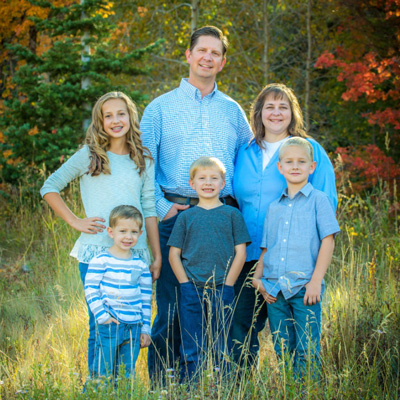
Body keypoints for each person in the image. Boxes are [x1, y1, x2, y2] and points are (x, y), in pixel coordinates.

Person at [140, 26, 253, 381]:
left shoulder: (233, 111)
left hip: (222, 219)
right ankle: (164, 383)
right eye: (201, 50)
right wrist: (163, 207)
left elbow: (249, 161)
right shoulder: (159, 109)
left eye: (215, 53)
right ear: (188, 55)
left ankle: (221, 381)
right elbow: (142, 166)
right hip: (177, 216)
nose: (207, 57)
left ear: (222, 61)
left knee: (224, 306)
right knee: (173, 308)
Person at [40, 92, 161, 376]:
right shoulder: (90, 155)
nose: (116, 120)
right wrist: (75, 221)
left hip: (135, 253)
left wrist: (156, 256)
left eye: (121, 114)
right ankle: (96, 388)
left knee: (130, 327)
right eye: (108, 115)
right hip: (98, 252)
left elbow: (149, 207)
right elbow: (50, 186)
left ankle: (121, 387)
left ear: (131, 117)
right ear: (100, 121)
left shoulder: (143, 157)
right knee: (100, 325)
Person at [232, 83, 337, 370]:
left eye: (283, 106)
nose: (276, 113)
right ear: (259, 112)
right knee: (240, 330)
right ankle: (237, 388)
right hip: (246, 255)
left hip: (295, 264)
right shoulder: (245, 151)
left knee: (299, 339)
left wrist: (315, 270)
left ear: (293, 112)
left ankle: (301, 388)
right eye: (269, 106)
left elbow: (326, 206)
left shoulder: (308, 150)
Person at [252, 137, 340, 378]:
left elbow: (328, 240)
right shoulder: (274, 208)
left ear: (312, 167)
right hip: (274, 291)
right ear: (280, 168)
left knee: (308, 349)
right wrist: (257, 280)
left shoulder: (319, 201)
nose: (295, 166)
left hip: (305, 289)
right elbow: (266, 248)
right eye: (289, 161)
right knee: (282, 349)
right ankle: (289, 389)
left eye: (302, 162)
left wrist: (315, 282)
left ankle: (307, 391)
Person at [168, 157, 250, 381]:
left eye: (214, 178)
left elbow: (240, 253)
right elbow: (174, 254)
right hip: (191, 288)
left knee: (222, 343)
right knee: (192, 341)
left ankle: (223, 386)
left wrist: (229, 285)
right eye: (202, 178)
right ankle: (191, 387)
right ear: (192, 183)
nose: (208, 183)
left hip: (223, 286)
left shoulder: (232, 215)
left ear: (223, 184)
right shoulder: (185, 217)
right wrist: (185, 284)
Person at [84, 205, 152, 380]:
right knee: (103, 371)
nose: (128, 237)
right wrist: (102, 316)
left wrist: (145, 328)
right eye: (122, 231)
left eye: (133, 232)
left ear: (140, 233)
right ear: (111, 231)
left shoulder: (141, 265)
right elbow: (91, 289)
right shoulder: (101, 261)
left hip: (134, 327)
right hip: (110, 323)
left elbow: (145, 299)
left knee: (126, 374)